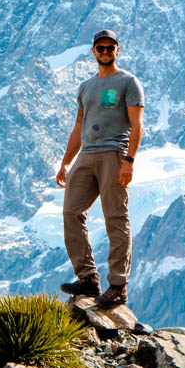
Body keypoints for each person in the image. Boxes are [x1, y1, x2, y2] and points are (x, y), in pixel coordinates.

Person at [55, 29, 144, 308]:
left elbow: (137, 124)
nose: (105, 52)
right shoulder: (86, 87)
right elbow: (78, 127)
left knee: (115, 218)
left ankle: (118, 286)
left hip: (113, 154)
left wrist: (129, 161)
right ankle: (88, 278)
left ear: (118, 50)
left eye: (110, 47)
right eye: (101, 48)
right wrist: (65, 162)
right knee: (71, 212)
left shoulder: (128, 82)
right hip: (86, 155)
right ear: (93, 51)